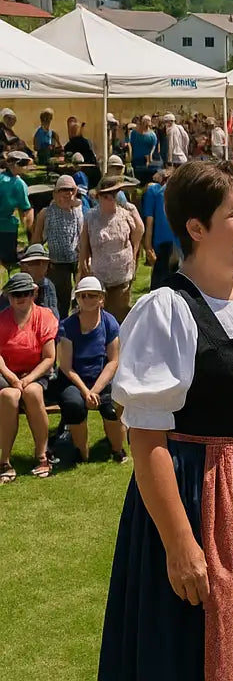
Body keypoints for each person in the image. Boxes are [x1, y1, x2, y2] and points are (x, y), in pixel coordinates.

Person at [99, 159, 233, 680]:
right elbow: (146, 436)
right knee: (194, 646)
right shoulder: (166, 310)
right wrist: (179, 543)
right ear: (196, 228)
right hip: (201, 496)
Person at [49, 275, 126, 466]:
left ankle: (118, 449)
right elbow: (65, 366)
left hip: (102, 377)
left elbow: (113, 361)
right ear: (77, 299)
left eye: (92, 295)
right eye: (83, 296)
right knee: (74, 405)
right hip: (74, 379)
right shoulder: (67, 326)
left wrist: (96, 391)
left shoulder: (110, 323)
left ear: (101, 298)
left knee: (111, 407)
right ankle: (82, 453)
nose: (87, 300)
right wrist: (86, 392)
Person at [0, 272, 57, 483]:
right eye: (15, 294)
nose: (20, 298)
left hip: (37, 372)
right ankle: (4, 459)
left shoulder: (44, 316)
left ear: (33, 294)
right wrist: (13, 378)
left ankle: (42, 454)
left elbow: (50, 357)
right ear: (8, 296)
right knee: (8, 395)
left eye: (25, 293)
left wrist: (27, 379)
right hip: (6, 373)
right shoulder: (2, 319)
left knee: (33, 392)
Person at [80, 176, 143, 324]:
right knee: (97, 319)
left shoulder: (126, 215)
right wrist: (83, 266)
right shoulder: (90, 217)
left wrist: (133, 258)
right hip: (98, 277)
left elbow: (136, 236)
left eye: (114, 195)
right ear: (99, 197)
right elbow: (84, 245)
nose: (111, 200)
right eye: (107, 196)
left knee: (119, 317)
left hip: (121, 277)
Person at [36, 173, 84, 300]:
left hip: (77, 260)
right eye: (63, 189)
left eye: (71, 190)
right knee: (61, 298)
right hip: (56, 264)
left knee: (81, 297)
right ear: (55, 193)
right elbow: (36, 241)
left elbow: (84, 235)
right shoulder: (46, 213)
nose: (67, 193)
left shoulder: (80, 210)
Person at [0, 149, 33, 268]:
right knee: (8, 263)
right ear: (16, 164)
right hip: (7, 228)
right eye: (24, 165)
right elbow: (26, 209)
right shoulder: (19, 184)